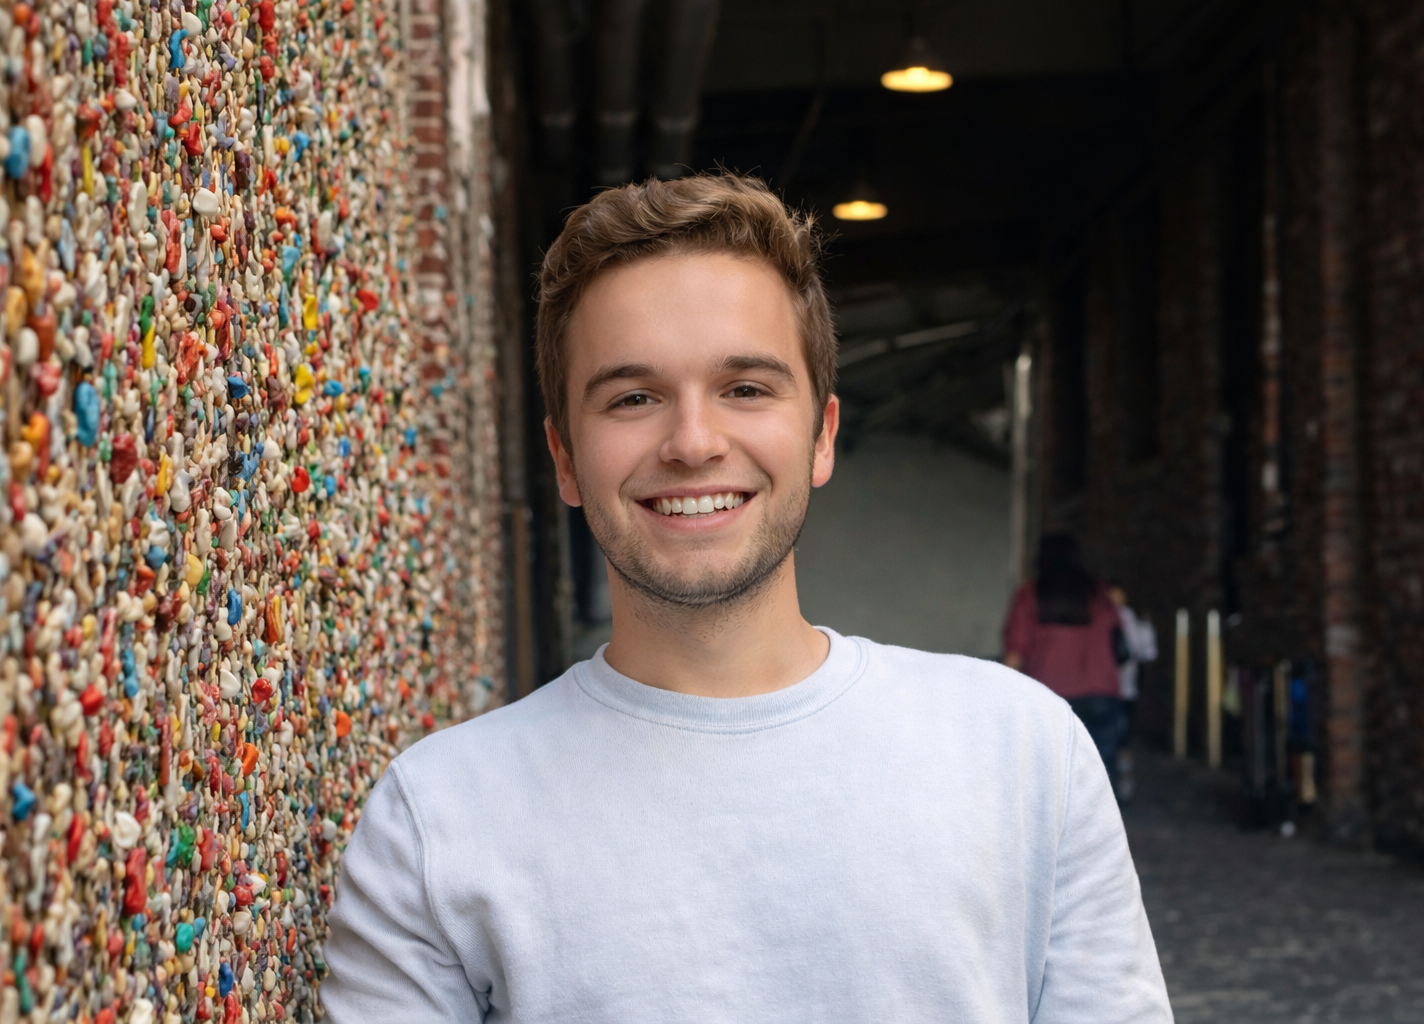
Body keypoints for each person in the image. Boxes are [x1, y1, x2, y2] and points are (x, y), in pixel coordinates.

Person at [322, 173, 1172, 1023]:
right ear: (566, 460)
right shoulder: (434, 821)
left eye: (746, 389)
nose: (693, 443)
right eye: (634, 398)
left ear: (822, 437)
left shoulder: (1025, 754)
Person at [1003, 534, 1125, 791]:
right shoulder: (1099, 593)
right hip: (1100, 693)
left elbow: (1014, 654)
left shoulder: (1030, 594)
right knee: (1099, 782)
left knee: (1047, 780)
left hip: (1047, 697)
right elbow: (1119, 642)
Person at [1108, 586, 1158, 802]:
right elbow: (1148, 652)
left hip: (1112, 687)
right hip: (1123, 687)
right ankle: (1122, 782)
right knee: (1122, 736)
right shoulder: (1133, 620)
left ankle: (1116, 782)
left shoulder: (1123, 618)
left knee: (1114, 735)